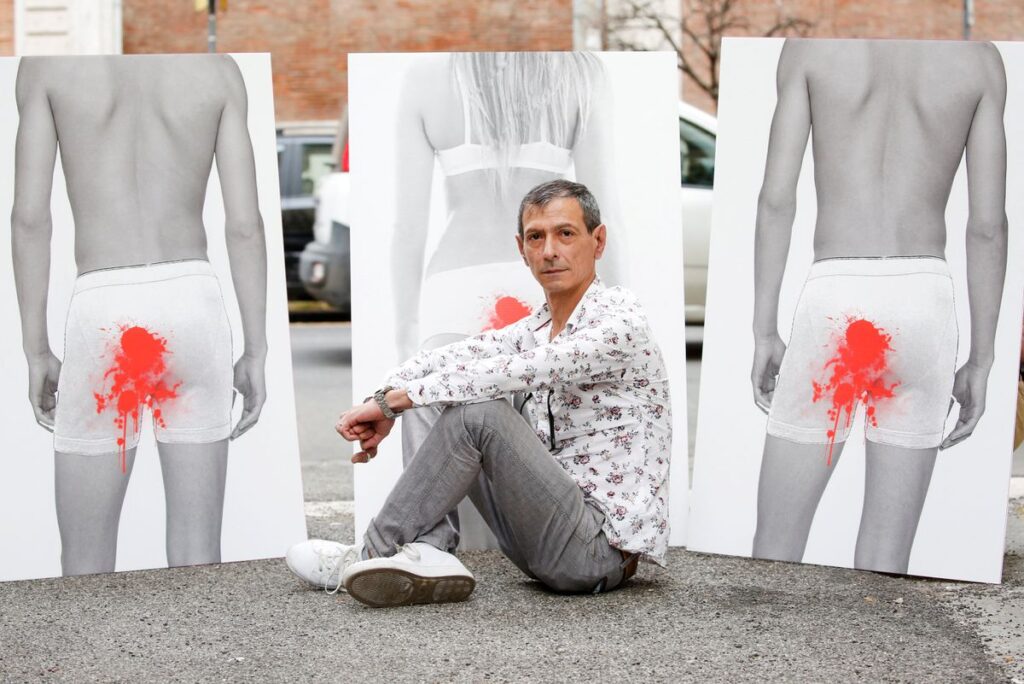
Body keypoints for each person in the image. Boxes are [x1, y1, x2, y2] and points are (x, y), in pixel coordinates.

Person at [286, 180, 671, 607]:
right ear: (521, 249)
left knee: (476, 411)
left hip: (595, 553)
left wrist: (395, 403)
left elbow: (524, 370)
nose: (549, 251)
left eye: (566, 234)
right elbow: (450, 359)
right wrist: (386, 396)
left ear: (597, 241)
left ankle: (371, 553)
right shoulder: (537, 329)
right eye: (535, 237)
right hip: (541, 540)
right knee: (435, 384)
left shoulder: (621, 322)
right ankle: (428, 549)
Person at [750, 39, 1007, 574]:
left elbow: (776, 199)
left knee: (774, 550)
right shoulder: (979, 59)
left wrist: (764, 331)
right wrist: (982, 360)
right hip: (925, 302)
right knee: (885, 565)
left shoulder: (809, 48)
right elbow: (986, 226)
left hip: (835, 301)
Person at [11, 54, 268, 576]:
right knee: (199, 559)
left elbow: (30, 218)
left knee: (85, 563)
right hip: (193, 302)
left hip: (104, 310)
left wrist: (35, 348)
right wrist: (256, 350)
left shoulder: (46, 67)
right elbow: (244, 225)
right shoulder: (217, 69)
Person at [390, 52, 629, 549]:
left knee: (437, 416)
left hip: (455, 279)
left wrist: (405, 338)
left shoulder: (426, 77)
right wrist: (616, 313)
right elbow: (606, 215)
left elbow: (408, 227)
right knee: (527, 442)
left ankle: (427, 550)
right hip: (544, 276)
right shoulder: (578, 72)